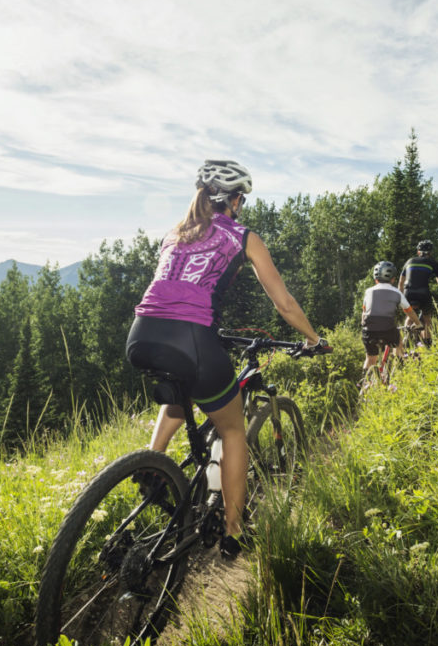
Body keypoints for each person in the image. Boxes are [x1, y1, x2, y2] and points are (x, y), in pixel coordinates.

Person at [126, 159, 329, 559]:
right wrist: (314, 339)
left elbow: (176, 290)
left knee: (182, 392)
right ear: (233, 200)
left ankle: (154, 465)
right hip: (192, 338)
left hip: (142, 334)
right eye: (242, 198)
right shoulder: (243, 236)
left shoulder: (174, 233)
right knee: (234, 430)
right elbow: (285, 304)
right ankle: (234, 531)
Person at [361, 260, 423, 375]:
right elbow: (410, 312)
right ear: (393, 279)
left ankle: (364, 385)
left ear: (376, 279)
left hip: (368, 330)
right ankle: (398, 367)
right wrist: (418, 323)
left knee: (370, 359)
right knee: (398, 343)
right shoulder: (396, 292)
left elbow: (364, 313)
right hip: (388, 329)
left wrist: (364, 326)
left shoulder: (368, 292)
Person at [398, 240, 438, 346]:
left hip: (408, 293)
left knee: (410, 317)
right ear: (431, 253)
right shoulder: (434, 263)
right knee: (427, 318)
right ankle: (427, 344)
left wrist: (400, 298)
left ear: (418, 252)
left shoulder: (409, 261)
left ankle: (405, 341)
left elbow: (401, 282)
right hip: (423, 293)